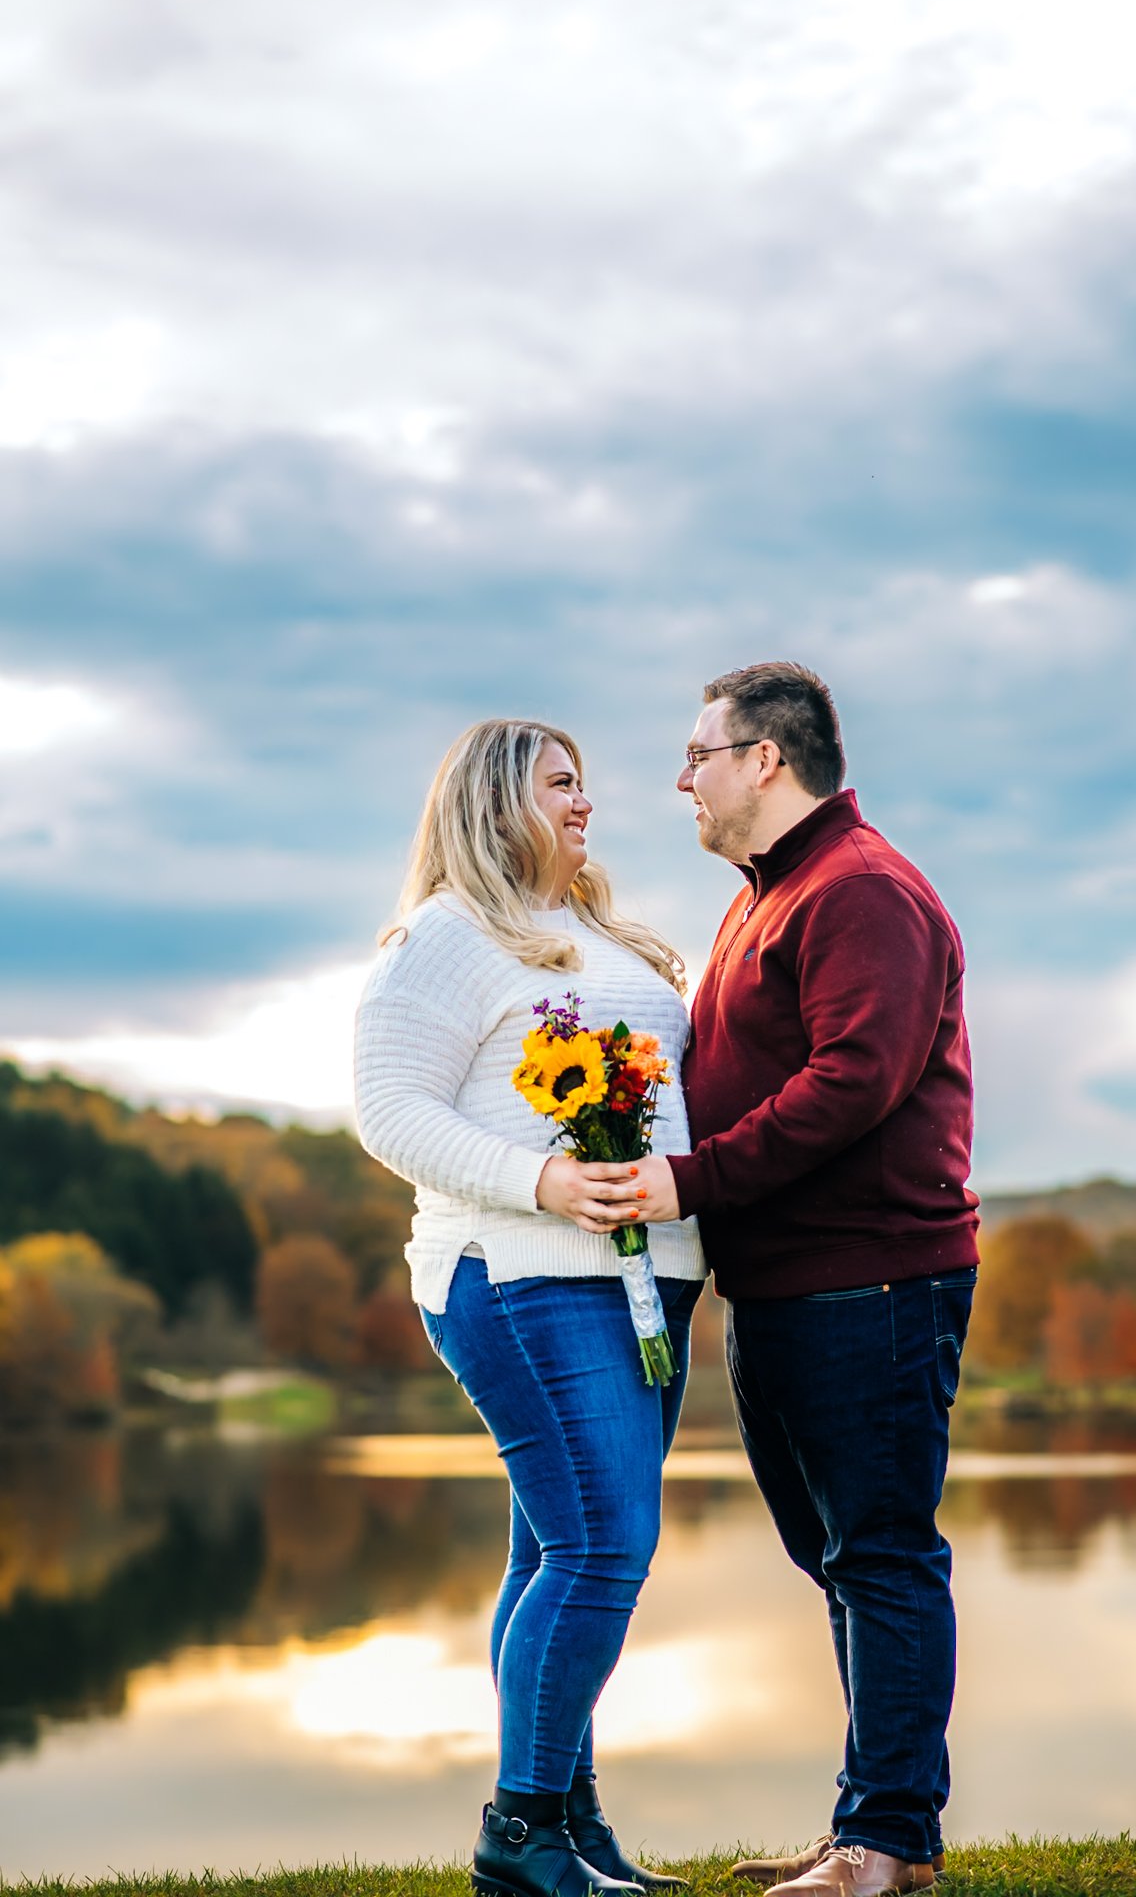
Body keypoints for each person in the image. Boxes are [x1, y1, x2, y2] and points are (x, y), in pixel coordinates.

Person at [616, 664, 979, 1897]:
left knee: (879, 1555)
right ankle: (870, 1828)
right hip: (781, 1288)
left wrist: (690, 1178)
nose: (683, 779)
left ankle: (885, 1842)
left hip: (869, 1283)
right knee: (839, 1560)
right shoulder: (766, 897)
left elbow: (853, 1084)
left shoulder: (859, 891)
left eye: (697, 753)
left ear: (765, 758)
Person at [354, 718, 705, 1897]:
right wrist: (543, 1180)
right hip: (517, 1271)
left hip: (644, 1283)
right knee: (604, 1547)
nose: (586, 803)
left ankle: (571, 1822)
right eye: (561, 784)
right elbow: (389, 1111)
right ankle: (519, 1836)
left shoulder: (596, 933)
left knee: (554, 1552)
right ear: (495, 800)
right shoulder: (447, 935)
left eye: (584, 785)